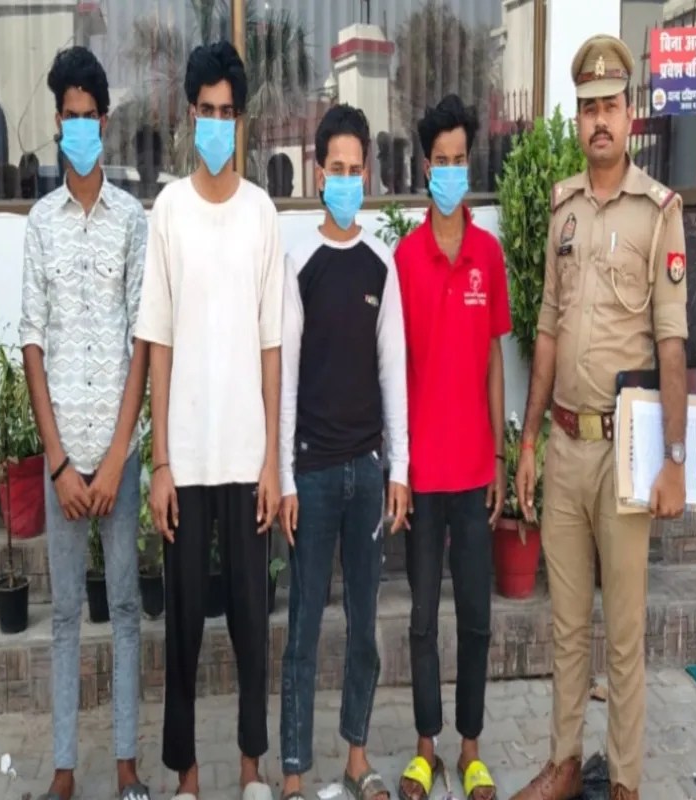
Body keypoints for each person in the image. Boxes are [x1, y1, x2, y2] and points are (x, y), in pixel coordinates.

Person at [511, 35, 687, 800]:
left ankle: (623, 782)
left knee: (623, 633)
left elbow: (672, 342)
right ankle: (561, 765)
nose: (599, 121)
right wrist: (527, 442)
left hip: (626, 453)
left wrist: (674, 458)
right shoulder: (564, 211)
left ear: (630, 114)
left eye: (610, 105)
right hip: (566, 445)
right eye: (587, 108)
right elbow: (547, 331)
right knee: (565, 626)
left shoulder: (659, 213)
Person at [134, 40, 283, 800]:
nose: (217, 124)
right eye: (207, 111)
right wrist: (160, 462)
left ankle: (252, 770)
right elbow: (156, 344)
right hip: (187, 462)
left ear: (241, 120)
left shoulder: (262, 214)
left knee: (253, 624)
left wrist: (272, 462)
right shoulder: (169, 212)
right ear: (189, 115)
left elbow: (271, 345)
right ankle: (187, 777)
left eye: (229, 112)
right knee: (184, 626)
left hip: (246, 457)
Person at [18, 46, 151, 800]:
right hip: (65, 461)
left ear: (105, 122)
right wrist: (61, 464)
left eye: (89, 116)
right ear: (57, 122)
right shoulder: (40, 224)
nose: (78, 128)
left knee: (126, 608)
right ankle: (65, 771)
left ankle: (127, 766)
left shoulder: (133, 220)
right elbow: (32, 345)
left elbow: (142, 341)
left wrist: (116, 456)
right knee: (65, 614)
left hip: (119, 458)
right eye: (67, 117)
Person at [277, 104, 410, 800]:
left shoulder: (382, 265)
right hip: (313, 474)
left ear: (368, 175)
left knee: (364, 627)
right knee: (302, 628)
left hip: (367, 472)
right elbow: (285, 377)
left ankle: (357, 757)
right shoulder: (297, 262)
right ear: (318, 172)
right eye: (337, 168)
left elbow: (394, 374)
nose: (347, 180)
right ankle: (294, 772)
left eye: (357, 170)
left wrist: (400, 471)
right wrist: (285, 477)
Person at [392, 94, 509, 800]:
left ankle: (470, 750)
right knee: (421, 619)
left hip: (471, 470)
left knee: (475, 617)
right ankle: (424, 748)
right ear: (424, 166)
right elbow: (394, 370)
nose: (451, 170)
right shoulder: (404, 260)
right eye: (440, 160)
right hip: (422, 473)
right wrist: (398, 469)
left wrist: (498, 456)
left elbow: (496, 360)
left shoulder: (487, 255)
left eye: (461, 159)